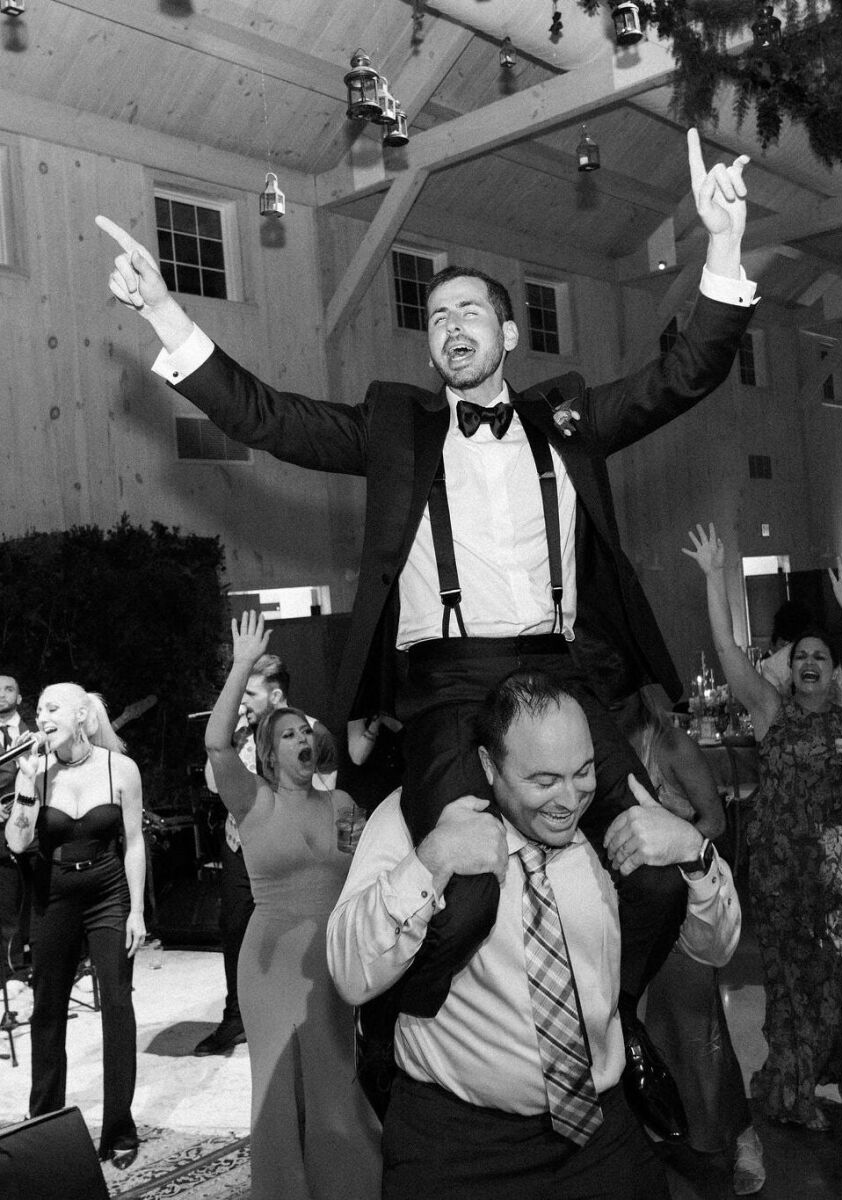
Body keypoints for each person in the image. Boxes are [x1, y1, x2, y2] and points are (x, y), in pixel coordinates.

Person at [96, 128, 754, 1132]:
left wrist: (724, 249)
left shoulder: (567, 420)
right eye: (436, 315)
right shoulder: (395, 428)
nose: (451, 327)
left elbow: (685, 375)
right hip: (447, 687)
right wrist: (164, 312)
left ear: (508, 335)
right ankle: (390, 1035)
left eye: (470, 312)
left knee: (658, 879)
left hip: (564, 674)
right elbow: (268, 417)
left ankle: (618, 1032)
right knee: (468, 895)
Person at [327, 670, 741, 1200]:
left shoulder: (616, 817)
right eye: (543, 781)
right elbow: (348, 974)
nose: (570, 799)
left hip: (600, 1134)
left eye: (584, 771)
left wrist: (692, 850)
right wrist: (430, 861)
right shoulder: (416, 816)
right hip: (456, 1147)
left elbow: (717, 947)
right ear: (487, 766)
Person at [684, 525, 842, 1130]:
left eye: (822, 656)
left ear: (837, 671)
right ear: (790, 669)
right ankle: (794, 1092)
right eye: (802, 656)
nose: (811, 662)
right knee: (790, 982)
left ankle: (837, 1075)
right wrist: (714, 579)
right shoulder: (770, 713)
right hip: (783, 874)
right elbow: (730, 654)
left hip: (836, 879)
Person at [205, 611, 380, 1200]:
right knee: (277, 1091)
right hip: (268, 966)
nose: (302, 739)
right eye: (287, 735)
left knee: (334, 1078)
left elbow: (365, 881)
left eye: (305, 732)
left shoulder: (343, 805)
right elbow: (213, 739)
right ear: (267, 751)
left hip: (329, 962)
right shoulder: (251, 802)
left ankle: (349, 1185)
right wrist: (241, 668)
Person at [613, 686, 765, 1196]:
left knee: (701, 1032)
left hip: (687, 903)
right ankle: (666, 1130)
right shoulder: (599, 742)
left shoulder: (671, 745)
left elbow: (716, 821)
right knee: (648, 1031)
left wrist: (669, 844)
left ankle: (739, 1137)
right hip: (633, 910)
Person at [5, 683, 145, 1168]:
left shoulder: (119, 768)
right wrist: (25, 787)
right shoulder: (37, 772)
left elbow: (133, 843)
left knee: (119, 1006)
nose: (40, 715)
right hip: (54, 892)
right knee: (47, 1009)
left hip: (108, 892)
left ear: (81, 714)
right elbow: (18, 845)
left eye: (52, 707)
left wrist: (139, 911)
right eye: (38, 708)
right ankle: (43, 1125)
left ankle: (119, 1129)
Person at [194, 650, 337, 1057]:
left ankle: (304, 1015)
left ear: (275, 696)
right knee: (235, 928)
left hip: (288, 851)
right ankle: (235, 1018)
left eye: (250, 694)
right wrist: (233, 739)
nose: (242, 701)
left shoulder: (310, 732)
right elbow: (213, 784)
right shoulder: (242, 735)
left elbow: (327, 794)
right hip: (240, 845)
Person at [0, 673, 35, 979]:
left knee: (28, 908)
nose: (1, 694)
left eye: (8, 689)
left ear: (20, 698)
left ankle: (21, 975)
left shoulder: (37, 735)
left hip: (30, 833)